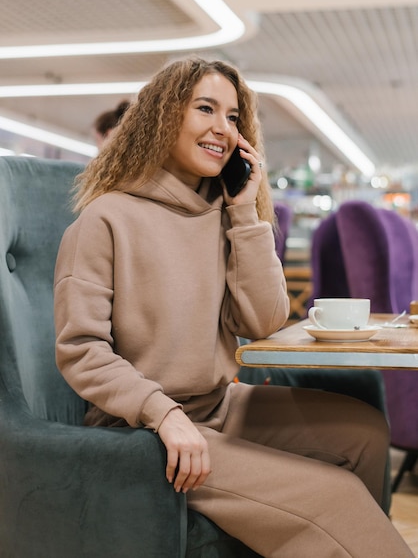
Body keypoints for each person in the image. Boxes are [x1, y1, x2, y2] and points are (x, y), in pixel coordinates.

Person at [54, 57, 413, 558]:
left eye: (233, 116)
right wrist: (165, 414)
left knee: (365, 431)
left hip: (220, 405)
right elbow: (81, 350)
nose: (223, 128)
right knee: (335, 497)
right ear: (164, 116)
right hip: (144, 430)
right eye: (206, 109)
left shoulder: (224, 212)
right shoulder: (105, 219)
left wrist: (245, 212)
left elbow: (262, 323)